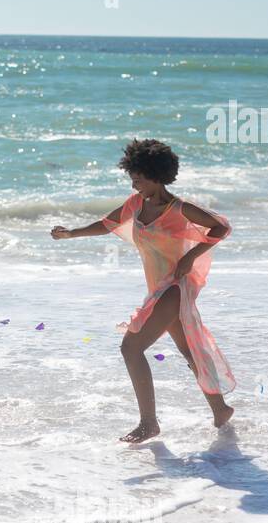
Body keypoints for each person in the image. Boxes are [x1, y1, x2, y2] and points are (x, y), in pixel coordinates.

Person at [51, 139, 235, 442]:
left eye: (139, 176)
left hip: (174, 287)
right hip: (157, 288)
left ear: (158, 175)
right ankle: (220, 409)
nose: (134, 181)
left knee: (131, 348)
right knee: (188, 350)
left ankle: (149, 423)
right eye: (132, 175)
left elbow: (221, 228)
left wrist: (190, 257)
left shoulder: (180, 209)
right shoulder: (136, 203)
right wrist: (71, 233)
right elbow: (108, 224)